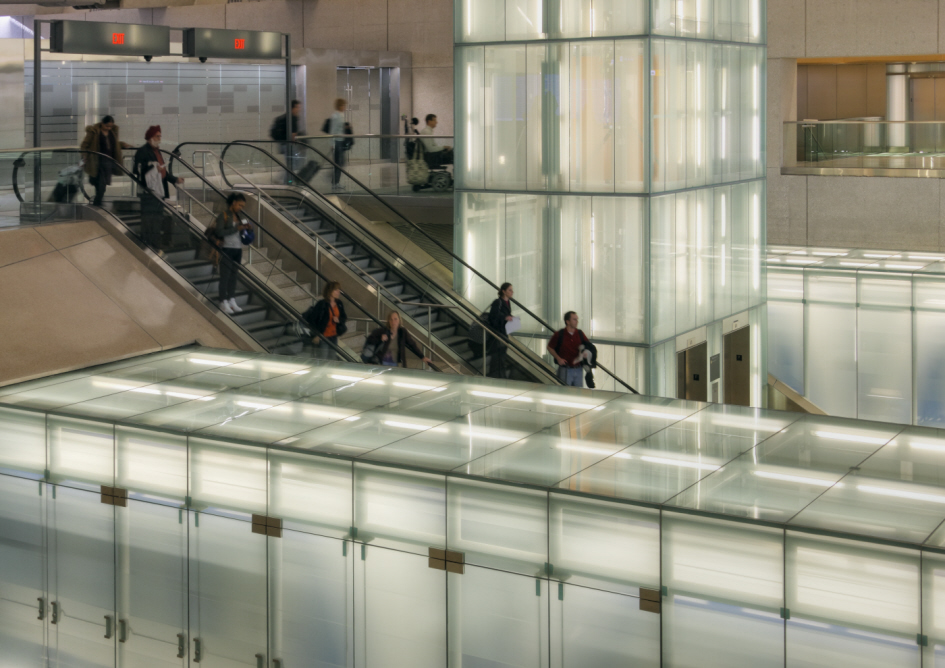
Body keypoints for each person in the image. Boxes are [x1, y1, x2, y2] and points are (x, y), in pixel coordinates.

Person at [133, 126, 183, 257]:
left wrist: (175, 179)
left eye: (160, 136)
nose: (159, 139)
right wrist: (153, 168)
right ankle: (148, 246)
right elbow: (137, 170)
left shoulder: (157, 151)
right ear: (150, 137)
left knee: (157, 220)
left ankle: (154, 245)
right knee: (149, 220)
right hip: (148, 192)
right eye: (157, 136)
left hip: (159, 191)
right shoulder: (142, 152)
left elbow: (163, 172)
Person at [207, 192, 252, 315]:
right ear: (233, 203)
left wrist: (248, 229)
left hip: (238, 249)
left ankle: (232, 299)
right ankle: (223, 301)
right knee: (225, 276)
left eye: (242, 206)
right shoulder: (224, 215)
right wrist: (237, 228)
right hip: (226, 248)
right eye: (239, 205)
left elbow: (242, 234)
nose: (241, 208)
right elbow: (220, 232)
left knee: (234, 276)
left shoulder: (239, 217)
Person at [80, 115, 132, 206]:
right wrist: (85, 156)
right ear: (102, 123)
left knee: (101, 186)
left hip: (107, 162)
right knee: (101, 186)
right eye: (107, 126)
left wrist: (122, 144)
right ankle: (97, 205)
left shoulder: (112, 132)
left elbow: (112, 144)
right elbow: (84, 145)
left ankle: (97, 204)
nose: (108, 128)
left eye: (110, 126)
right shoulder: (94, 132)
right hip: (97, 162)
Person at [363, 311, 431, 368]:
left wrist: (422, 357)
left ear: (399, 320)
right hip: (382, 363)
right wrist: (380, 339)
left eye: (395, 319)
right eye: (391, 319)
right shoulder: (383, 331)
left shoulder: (402, 332)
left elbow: (412, 344)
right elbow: (370, 340)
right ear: (389, 321)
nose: (393, 322)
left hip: (395, 363)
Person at [548, 311, 593, 388]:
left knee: (578, 392)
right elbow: (550, 347)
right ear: (567, 321)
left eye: (577, 319)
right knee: (564, 392)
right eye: (574, 319)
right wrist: (558, 358)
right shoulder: (559, 334)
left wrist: (585, 353)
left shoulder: (580, 333)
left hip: (578, 369)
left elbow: (588, 346)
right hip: (565, 369)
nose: (577, 321)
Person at [306, 281, 348, 359]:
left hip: (333, 336)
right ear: (330, 291)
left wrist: (338, 320)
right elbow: (312, 320)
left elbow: (344, 317)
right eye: (336, 290)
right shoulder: (322, 304)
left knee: (332, 358)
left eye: (339, 289)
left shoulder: (339, 303)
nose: (338, 292)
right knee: (323, 359)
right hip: (323, 336)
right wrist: (317, 335)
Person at [486, 282, 515, 378]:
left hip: (503, 331)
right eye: (510, 290)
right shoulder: (497, 302)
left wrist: (510, 318)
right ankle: (496, 376)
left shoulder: (508, 302)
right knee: (497, 356)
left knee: (502, 355)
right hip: (497, 333)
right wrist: (505, 317)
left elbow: (504, 314)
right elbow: (493, 315)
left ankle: (500, 376)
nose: (512, 292)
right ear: (504, 291)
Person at [271, 100, 304, 183]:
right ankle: (287, 183)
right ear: (293, 108)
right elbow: (293, 134)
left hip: (283, 144)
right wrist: (296, 145)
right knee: (293, 165)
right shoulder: (292, 118)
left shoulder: (286, 117)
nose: (299, 109)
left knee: (291, 164)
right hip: (289, 144)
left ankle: (279, 179)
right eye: (297, 107)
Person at [326, 98, 350, 190]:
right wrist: (332, 143)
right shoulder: (336, 116)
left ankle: (335, 181)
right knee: (338, 163)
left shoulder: (341, 115)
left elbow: (340, 128)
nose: (344, 107)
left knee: (341, 162)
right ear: (339, 106)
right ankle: (335, 182)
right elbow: (333, 130)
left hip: (341, 141)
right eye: (343, 105)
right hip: (337, 142)